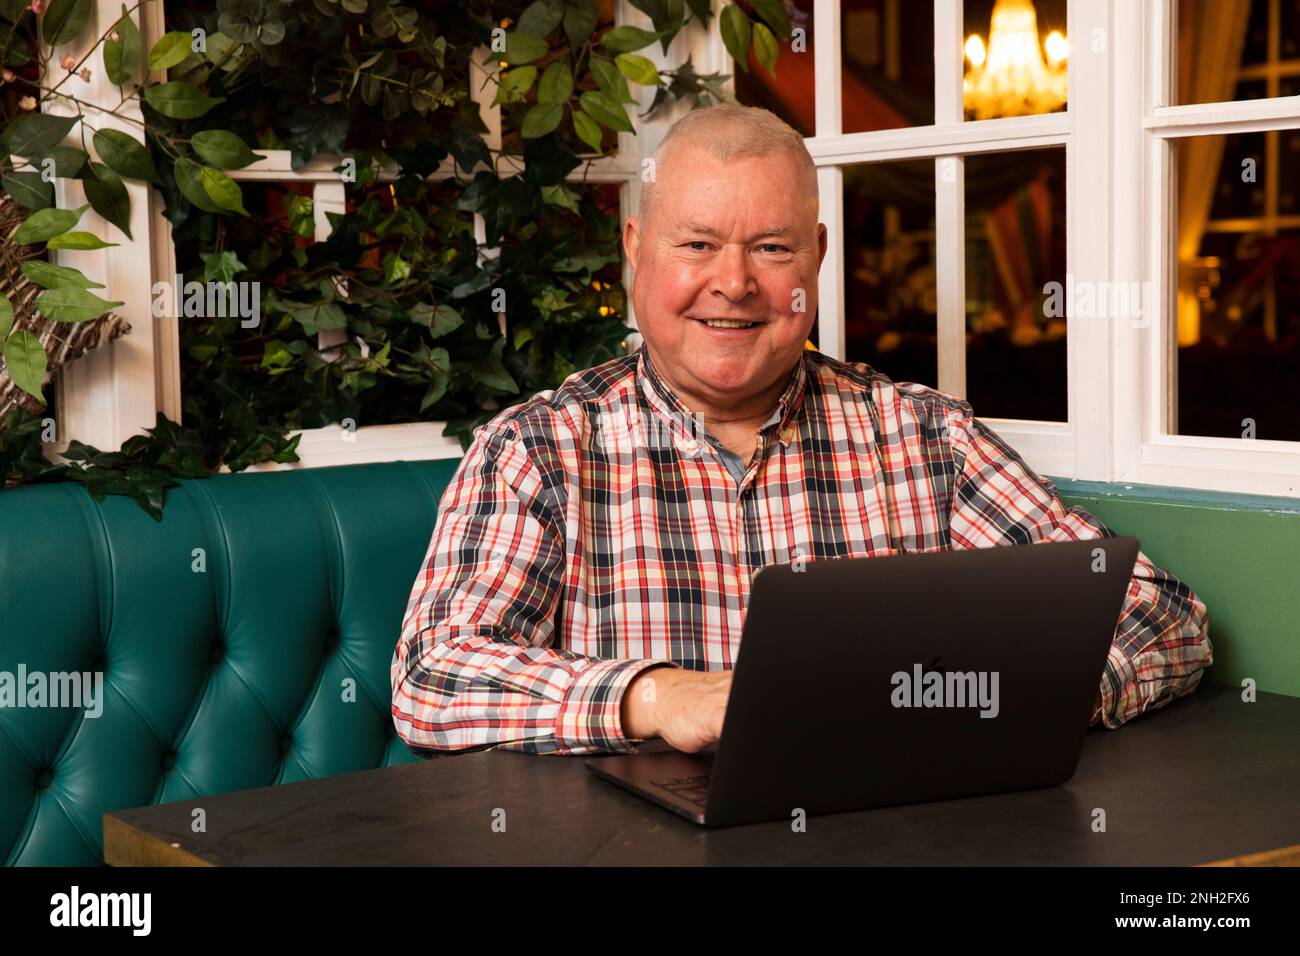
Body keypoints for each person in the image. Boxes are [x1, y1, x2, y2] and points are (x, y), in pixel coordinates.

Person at [391, 104, 1211, 757]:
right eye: (698, 244)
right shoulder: (538, 451)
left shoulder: (924, 438)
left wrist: (997, 699)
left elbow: (1162, 614)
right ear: (636, 250)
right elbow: (432, 677)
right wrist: (655, 695)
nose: (735, 283)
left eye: (772, 248)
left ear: (815, 258)